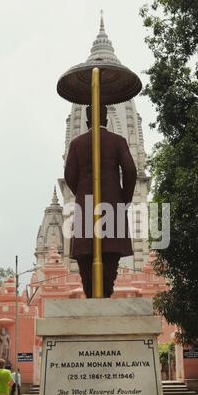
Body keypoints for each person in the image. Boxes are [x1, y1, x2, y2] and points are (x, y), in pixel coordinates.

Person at [64, 105, 137, 298]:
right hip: (113, 210)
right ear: (106, 119)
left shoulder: (78, 143)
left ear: (87, 121)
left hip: (86, 211)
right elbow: (130, 171)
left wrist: (82, 194)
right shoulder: (118, 141)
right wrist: (123, 200)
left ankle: (91, 297)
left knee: (86, 262)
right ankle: (105, 295)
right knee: (110, 261)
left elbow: (69, 176)